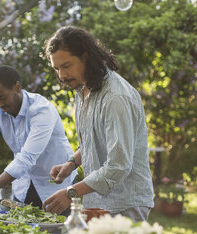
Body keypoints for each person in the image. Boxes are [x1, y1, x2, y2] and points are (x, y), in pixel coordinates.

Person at [42, 26, 154, 222]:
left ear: (85, 57)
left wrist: (70, 192)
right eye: (57, 68)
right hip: (97, 202)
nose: (61, 75)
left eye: (66, 66)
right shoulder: (83, 90)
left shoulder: (115, 97)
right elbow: (94, 141)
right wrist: (72, 163)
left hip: (125, 205)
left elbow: (118, 165)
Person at [0, 65, 76, 210]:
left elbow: (26, 158)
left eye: (2, 97)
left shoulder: (41, 110)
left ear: (17, 88)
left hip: (56, 188)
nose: (0, 104)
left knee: (57, 232)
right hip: (23, 187)